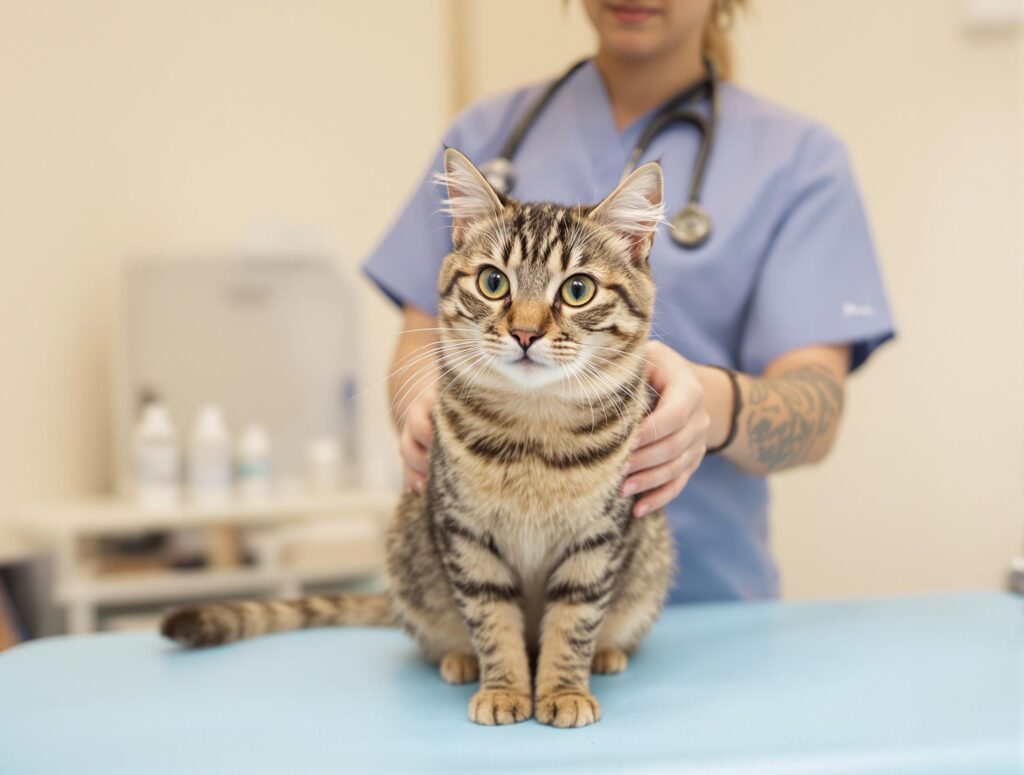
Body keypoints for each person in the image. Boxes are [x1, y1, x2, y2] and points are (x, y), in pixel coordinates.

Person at [362, 0, 894, 604]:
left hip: (706, 609)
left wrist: (709, 409)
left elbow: (818, 413)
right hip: (490, 596)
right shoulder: (485, 136)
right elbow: (418, 347)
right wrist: (427, 412)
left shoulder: (798, 162)